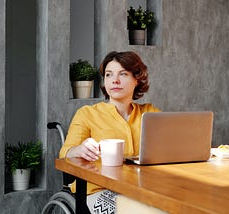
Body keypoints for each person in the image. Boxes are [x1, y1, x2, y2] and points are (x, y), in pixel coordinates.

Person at [59, 51, 160, 214]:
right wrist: (79, 149)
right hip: (98, 191)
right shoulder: (87, 114)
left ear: (137, 79)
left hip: (141, 189)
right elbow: (65, 153)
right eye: (109, 74)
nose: (115, 80)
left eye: (123, 74)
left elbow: (171, 146)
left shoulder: (150, 113)